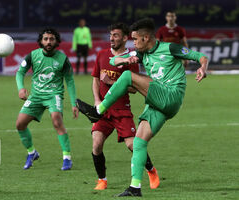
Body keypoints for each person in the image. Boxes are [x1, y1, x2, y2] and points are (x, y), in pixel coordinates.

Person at [76, 18, 208, 197]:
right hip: (158, 104)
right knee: (138, 143)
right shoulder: (141, 54)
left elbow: (201, 56)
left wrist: (202, 67)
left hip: (171, 95)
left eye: (136, 39)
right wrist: (122, 60)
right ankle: (135, 187)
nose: (134, 43)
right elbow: (115, 62)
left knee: (129, 76)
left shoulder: (170, 48)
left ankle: (97, 111)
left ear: (146, 38)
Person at [89, 22, 159, 190]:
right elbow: (95, 80)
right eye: (111, 35)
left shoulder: (131, 59)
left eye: (116, 35)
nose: (112, 38)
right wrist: (97, 100)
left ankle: (151, 170)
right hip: (104, 111)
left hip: (121, 109)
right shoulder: (101, 55)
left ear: (125, 38)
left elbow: (134, 89)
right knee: (96, 144)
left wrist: (112, 82)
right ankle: (102, 180)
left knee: (133, 145)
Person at [15, 28, 79, 171]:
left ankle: (67, 158)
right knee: (20, 124)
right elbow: (20, 72)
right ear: (41, 41)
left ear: (56, 41)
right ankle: (32, 153)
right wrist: (21, 88)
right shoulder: (32, 55)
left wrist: (74, 103)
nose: (48, 42)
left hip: (53, 95)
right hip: (36, 96)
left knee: (57, 120)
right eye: (46, 39)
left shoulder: (63, 59)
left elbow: (70, 81)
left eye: (51, 39)